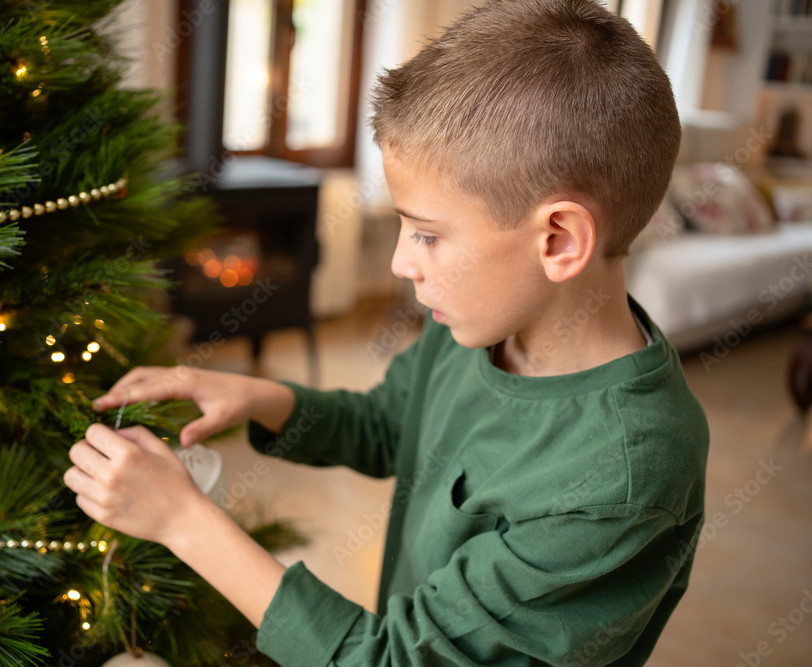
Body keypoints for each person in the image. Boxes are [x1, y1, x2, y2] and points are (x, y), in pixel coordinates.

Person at [63, 0, 710, 664]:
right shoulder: (476, 326)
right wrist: (257, 396)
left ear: (559, 239)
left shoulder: (623, 474)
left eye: (427, 233)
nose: (402, 264)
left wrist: (182, 521)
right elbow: (388, 427)